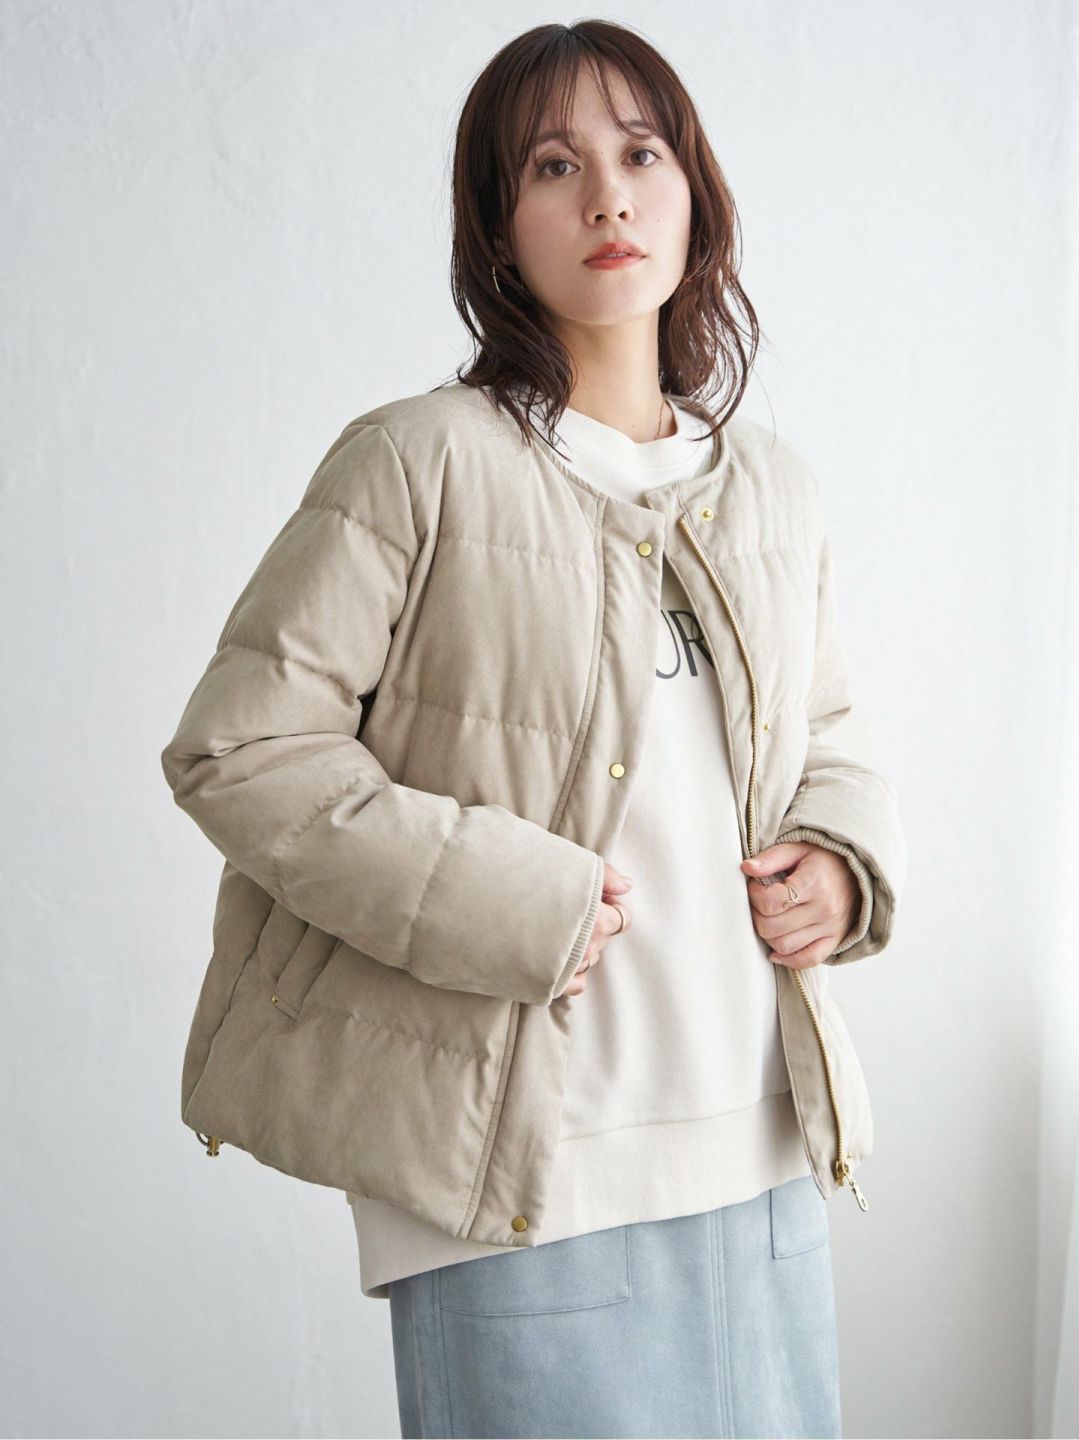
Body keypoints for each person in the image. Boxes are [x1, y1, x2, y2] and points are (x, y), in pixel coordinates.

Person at [161, 18, 906, 1440]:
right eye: (555, 166)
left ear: (696, 193)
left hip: (764, 1151)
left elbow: (825, 733)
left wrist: (839, 860)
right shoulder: (417, 460)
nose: (609, 197)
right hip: (518, 1175)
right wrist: (515, 901)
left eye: (642, 154)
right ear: (498, 228)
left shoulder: (773, 488)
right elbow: (238, 750)